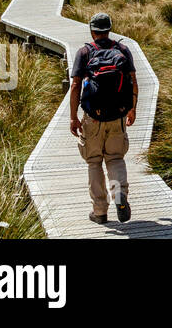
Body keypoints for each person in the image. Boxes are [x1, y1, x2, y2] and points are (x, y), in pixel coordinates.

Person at [68, 12, 136, 224]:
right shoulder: (122, 50)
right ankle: (119, 194)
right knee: (115, 158)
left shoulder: (85, 52)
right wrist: (132, 109)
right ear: (109, 29)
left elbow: (75, 85)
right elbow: (133, 81)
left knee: (94, 162)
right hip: (117, 117)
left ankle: (100, 212)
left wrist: (73, 117)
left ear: (92, 30)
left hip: (93, 118)